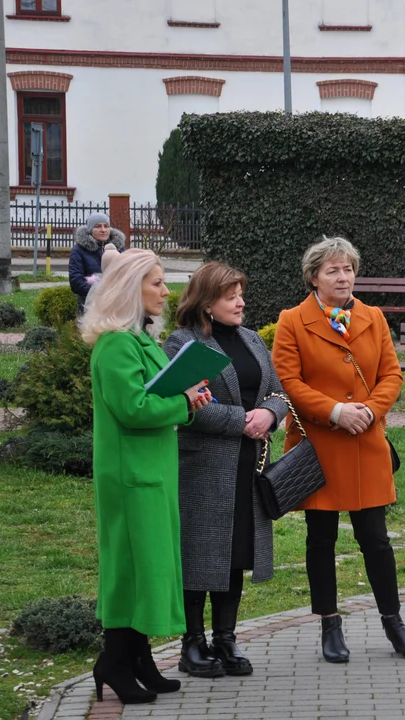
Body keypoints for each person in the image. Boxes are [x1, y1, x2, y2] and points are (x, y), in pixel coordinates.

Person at [272, 236, 405, 662]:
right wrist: (336, 411)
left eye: (349, 269)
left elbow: (392, 374)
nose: (343, 277)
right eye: (333, 270)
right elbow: (289, 382)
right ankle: (329, 626)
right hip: (319, 447)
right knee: (320, 540)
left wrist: (369, 412)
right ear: (314, 277)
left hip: (365, 443)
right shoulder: (291, 321)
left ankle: (394, 623)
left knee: (376, 539)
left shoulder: (373, 316)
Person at [81, 247, 213, 704]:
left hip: (151, 470)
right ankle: (115, 661)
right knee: (130, 569)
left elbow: (153, 394)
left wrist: (188, 393)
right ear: (129, 288)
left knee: (148, 566)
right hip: (130, 475)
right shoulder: (117, 343)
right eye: (156, 282)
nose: (166, 290)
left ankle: (138, 658)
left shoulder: (139, 340)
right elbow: (134, 408)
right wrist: (183, 404)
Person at [165, 262, 288, 677]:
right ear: (206, 303)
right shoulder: (182, 343)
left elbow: (277, 390)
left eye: (240, 293)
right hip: (203, 466)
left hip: (249, 464)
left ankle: (226, 639)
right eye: (231, 296)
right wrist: (243, 421)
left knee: (236, 553)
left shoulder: (252, 340)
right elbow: (187, 406)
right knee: (202, 552)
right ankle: (192, 643)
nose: (241, 301)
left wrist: (270, 414)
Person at [70, 212, 126, 314]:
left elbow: (128, 273)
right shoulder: (79, 250)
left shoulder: (119, 248)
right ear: (91, 229)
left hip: (117, 305)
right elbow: (76, 281)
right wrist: (99, 292)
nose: (103, 230)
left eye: (106, 226)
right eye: (98, 226)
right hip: (90, 306)